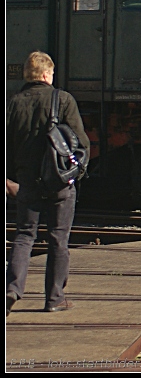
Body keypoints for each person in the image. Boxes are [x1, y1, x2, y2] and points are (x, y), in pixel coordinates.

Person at [6, 51, 89, 315]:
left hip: (26, 181)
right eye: (51, 73)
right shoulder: (62, 99)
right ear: (45, 74)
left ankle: (12, 289)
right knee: (58, 239)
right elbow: (81, 143)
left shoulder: (13, 103)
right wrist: (76, 174)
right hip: (59, 183)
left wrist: (11, 179)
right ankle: (54, 299)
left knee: (24, 236)